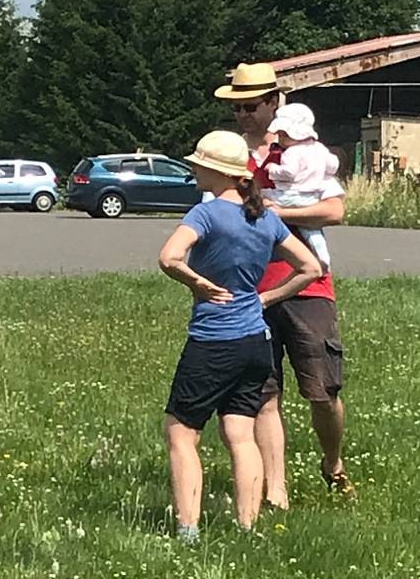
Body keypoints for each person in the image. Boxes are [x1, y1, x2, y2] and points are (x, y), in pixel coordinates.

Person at [159, 131, 321, 538]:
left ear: (215, 171)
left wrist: (198, 283)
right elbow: (311, 268)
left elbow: (169, 257)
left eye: (197, 164)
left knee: (181, 431)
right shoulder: (263, 216)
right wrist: (266, 298)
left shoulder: (207, 214)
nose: (193, 169)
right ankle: (249, 528)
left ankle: (188, 530)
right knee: (240, 431)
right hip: (255, 340)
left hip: (214, 339)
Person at [214, 62, 353, 509]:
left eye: (250, 106)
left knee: (322, 390)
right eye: (236, 108)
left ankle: (332, 462)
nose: (242, 116)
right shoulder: (230, 158)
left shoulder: (302, 149)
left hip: (307, 285)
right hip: (248, 287)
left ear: (274, 102)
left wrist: (275, 214)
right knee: (263, 393)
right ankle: (277, 490)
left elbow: (333, 211)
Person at [264, 102, 341, 272]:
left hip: (291, 194)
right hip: (312, 197)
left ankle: (313, 261)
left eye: (283, 135)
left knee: (263, 196)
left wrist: (272, 169)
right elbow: (333, 165)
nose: (281, 139)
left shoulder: (291, 152)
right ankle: (322, 258)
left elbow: (288, 173)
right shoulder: (319, 149)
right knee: (312, 230)